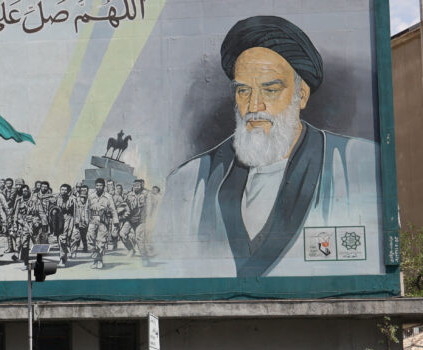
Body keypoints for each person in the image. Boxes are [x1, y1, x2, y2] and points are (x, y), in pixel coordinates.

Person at [154, 15, 379, 278]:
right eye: (243, 91)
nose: (254, 106)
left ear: (301, 95)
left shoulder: (357, 164)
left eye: (270, 90)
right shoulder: (189, 181)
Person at [86, 178, 116, 269]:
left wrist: (115, 222)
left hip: (103, 220)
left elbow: (113, 210)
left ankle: (99, 261)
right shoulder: (91, 196)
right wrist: (86, 220)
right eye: (97, 185)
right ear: (95, 186)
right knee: (90, 239)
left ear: (104, 186)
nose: (99, 187)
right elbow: (87, 209)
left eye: (101, 185)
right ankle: (96, 259)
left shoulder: (108, 196)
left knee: (101, 242)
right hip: (93, 219)